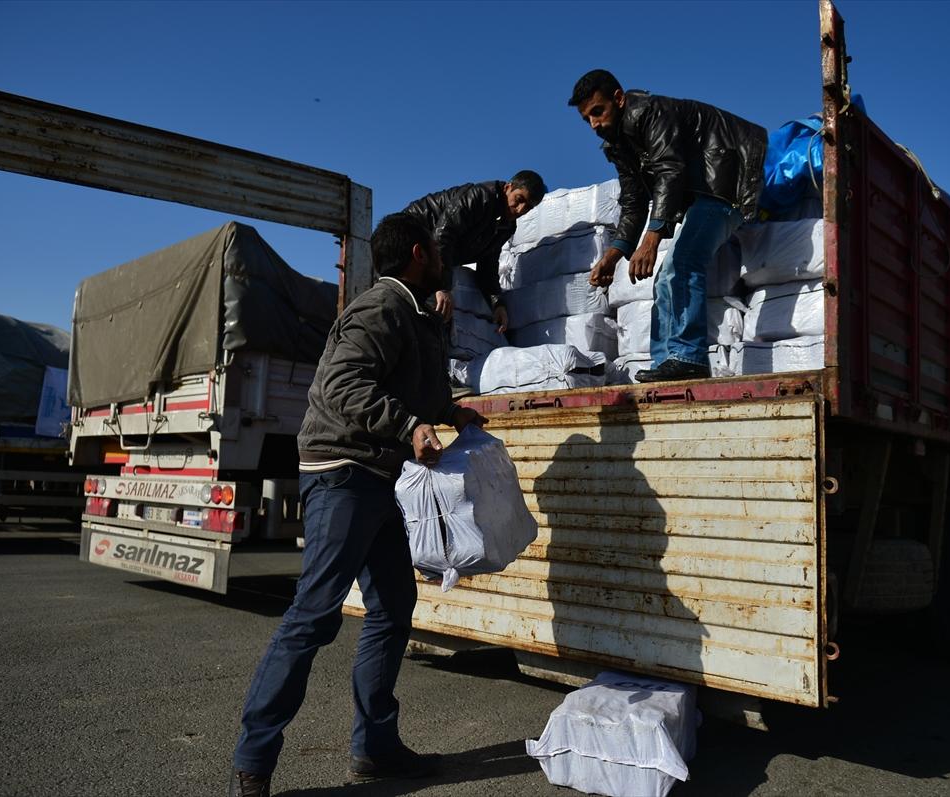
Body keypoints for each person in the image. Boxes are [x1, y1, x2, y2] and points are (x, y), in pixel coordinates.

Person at [229, 213, 487, 797]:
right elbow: (344, 384)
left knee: (394, 604)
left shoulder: (412, 312)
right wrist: (409, 424)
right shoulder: (381, 308)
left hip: (376, 476)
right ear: (420, 253)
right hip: (343, 474)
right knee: (314, 616)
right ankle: (253, 761)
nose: (445, 263)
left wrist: (449, 413)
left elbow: (406, 384)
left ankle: (375, 747)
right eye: (439, 254)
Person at [572, 69, 767, 382]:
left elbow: (670, 171)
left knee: (684, 263)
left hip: (727, 183)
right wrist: (614, 254)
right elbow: (634, 201)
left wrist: (651, 240)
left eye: (598, 112)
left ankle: (688, 358)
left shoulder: (651, 113)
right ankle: (668, 363)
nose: (594, 124)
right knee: (665, 278)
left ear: (619, 99)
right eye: (587, 119)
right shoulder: (617, 144)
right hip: (703, 191)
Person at [402, 170, 547, 332]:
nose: (520, 210)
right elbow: (443, 235)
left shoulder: (505, 227)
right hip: (410, 235)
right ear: (508, 188)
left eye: (527, 207)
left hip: (431, 252)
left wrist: (497, 304)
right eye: (519, 200)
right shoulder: (481, 197)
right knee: (434, 310)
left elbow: (488, 266)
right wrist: (442, 287)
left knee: (441, 318)